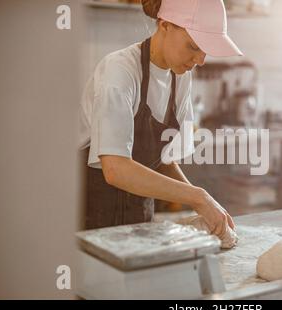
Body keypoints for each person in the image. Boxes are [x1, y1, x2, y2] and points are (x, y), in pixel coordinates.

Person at [78, 0, 243, 238]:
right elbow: (115, 168)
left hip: (139, 222)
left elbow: (163, 161)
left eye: (205, 50)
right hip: (89, 220)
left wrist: (205, 205)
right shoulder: (120, 70)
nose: (200, 60)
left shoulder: (181, 78)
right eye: (193, 46)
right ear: (165, 26)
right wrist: (198, 197)